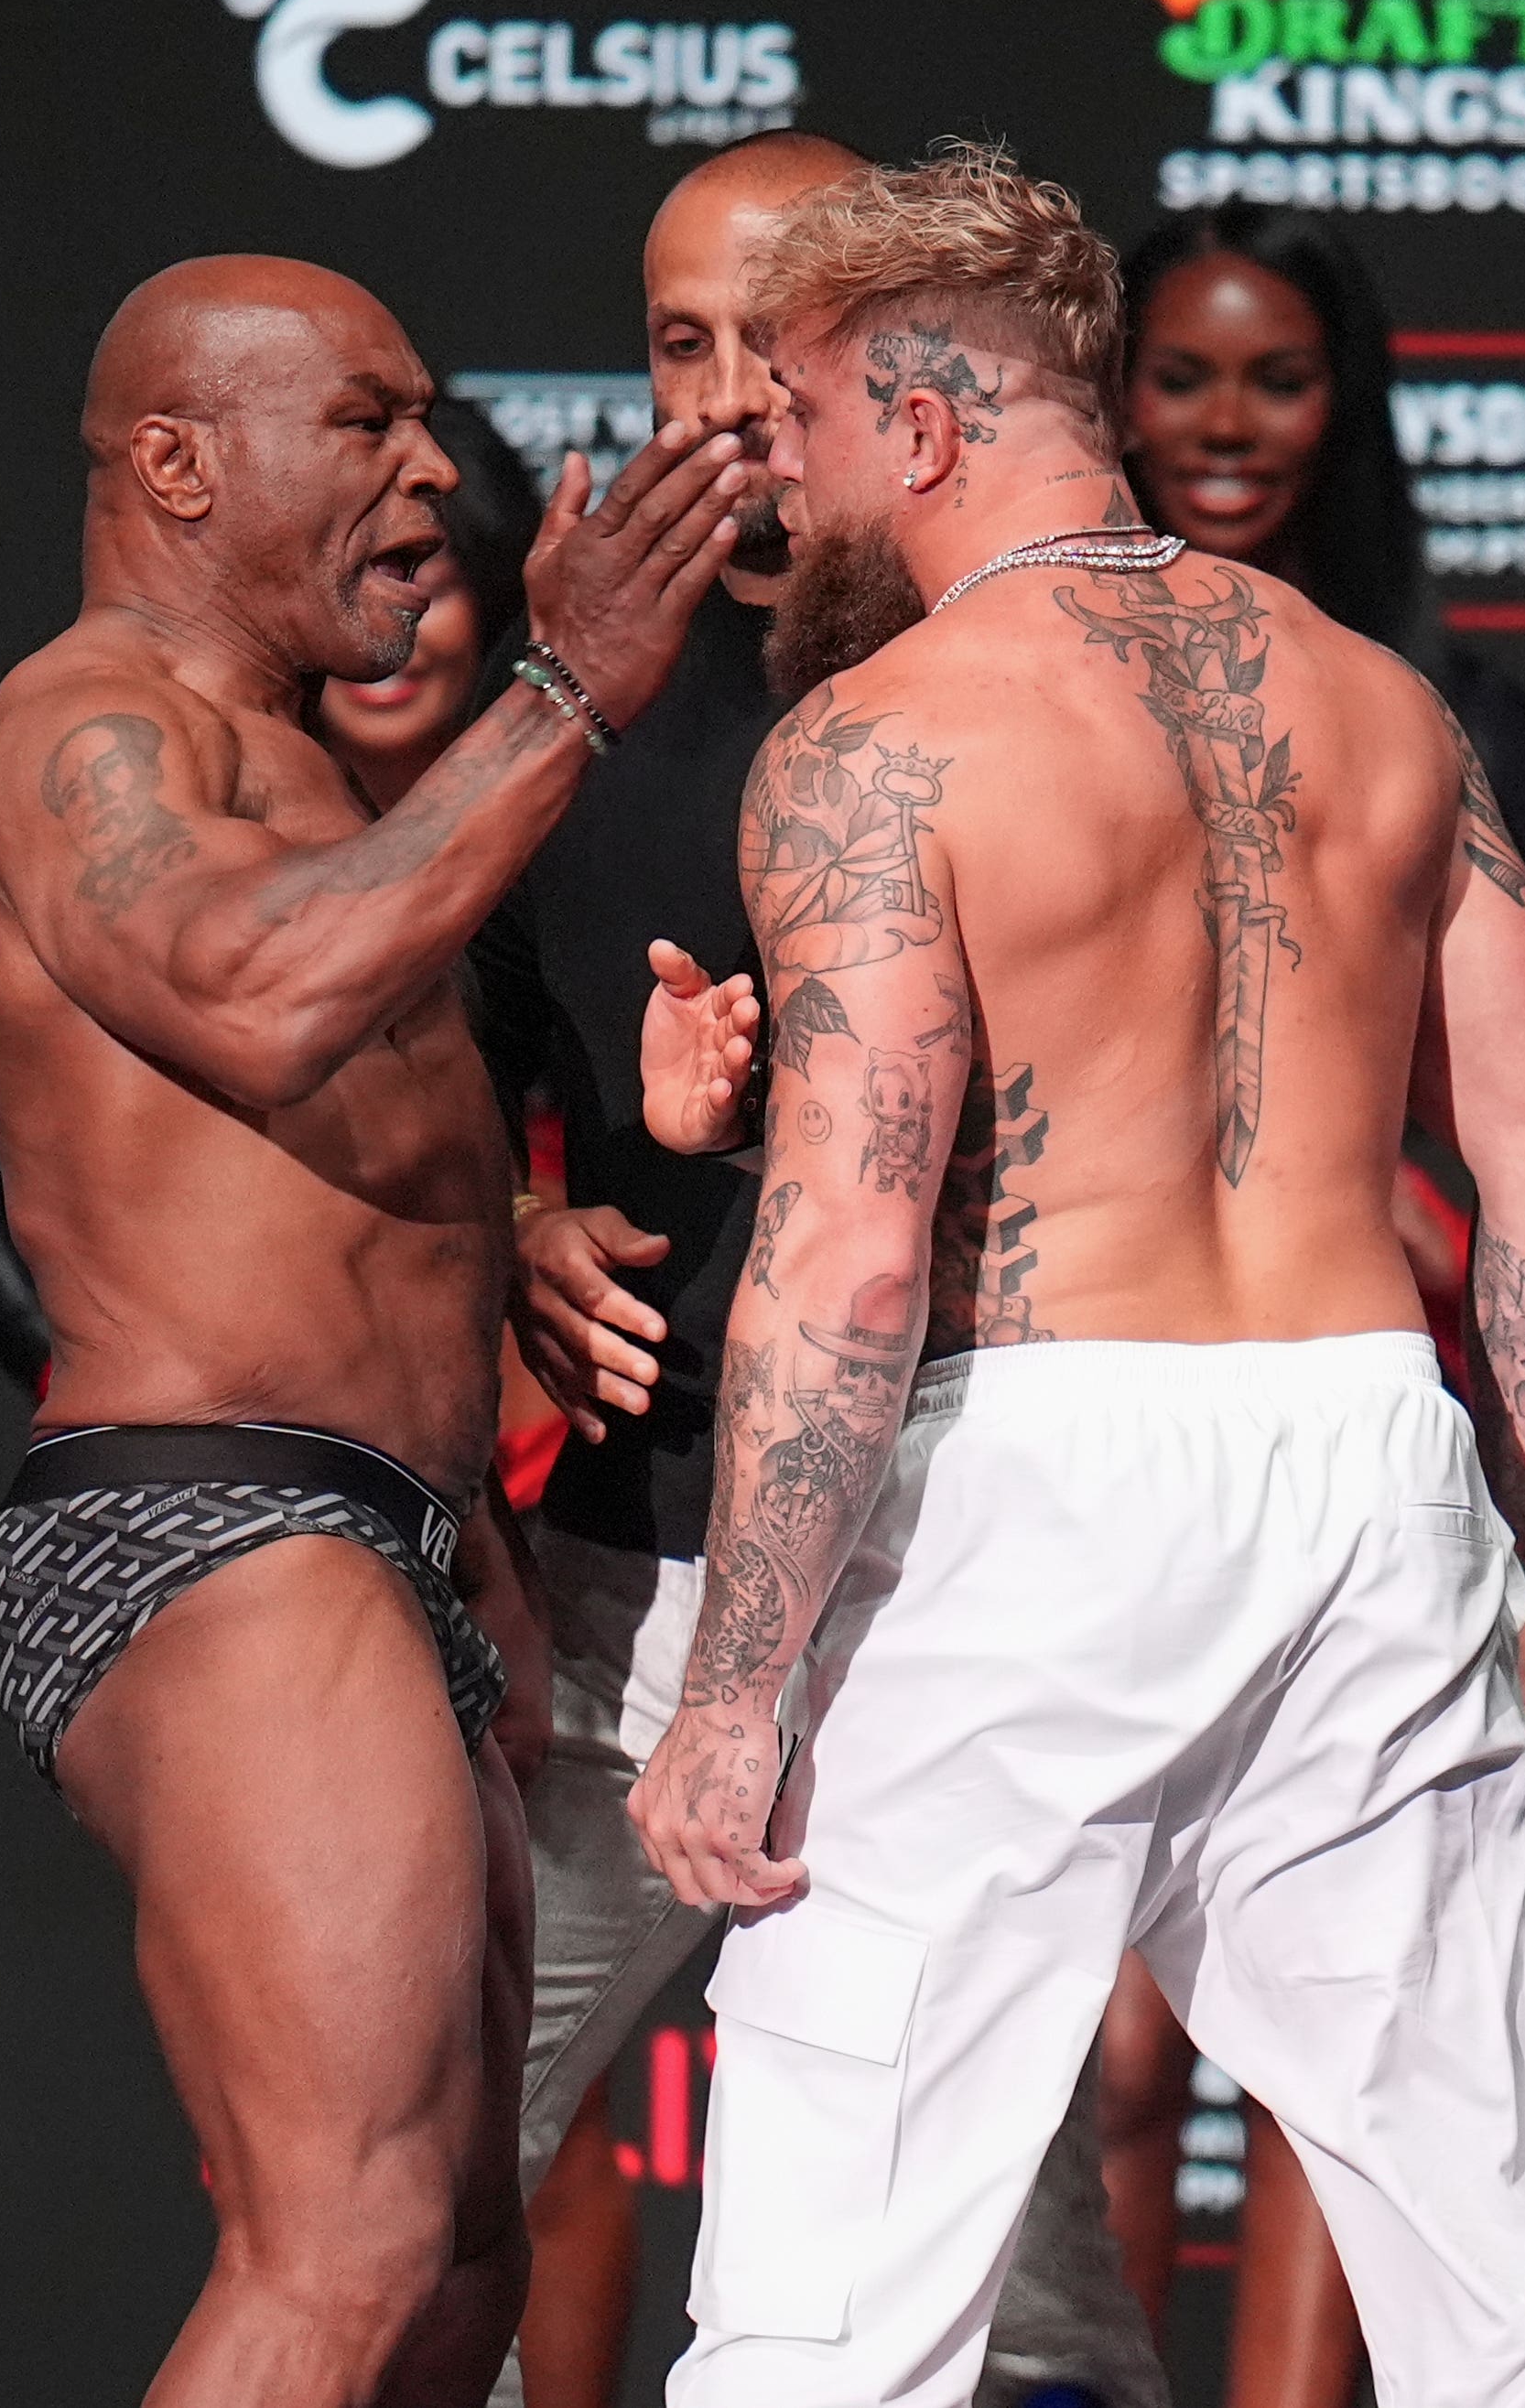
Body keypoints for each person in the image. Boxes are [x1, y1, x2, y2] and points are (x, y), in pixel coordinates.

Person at [630, 144, 1525, 2406]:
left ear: (914, 420)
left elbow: (855, 1239)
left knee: (828, 2300)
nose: (765, 467)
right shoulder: (1386, 704)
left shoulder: (877, 742)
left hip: (1034, 1474)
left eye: (792, 415)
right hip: (1374, 1452)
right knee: (1509, 2296)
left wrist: (731, 1681)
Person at [0, 254, 745, 2406]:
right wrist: (566, 696)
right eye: (367, 423)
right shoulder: (89, 728)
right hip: (213, 1519)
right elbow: (250, 992)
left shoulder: (305, 770)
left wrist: (526, 1234)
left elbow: (333, 1166)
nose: (425, 472)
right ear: (179, 464)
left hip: (381, 1537)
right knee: (348, 2245)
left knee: (462, 2265)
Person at [468, 132, 1162, 2408]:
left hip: (956, 1582)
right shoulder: (560, 699)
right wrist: (519, 1219)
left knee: (1021, 2264)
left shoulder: (1038, 666)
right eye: (683, 344)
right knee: (410, 2175)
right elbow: (404, 1057)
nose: (736, 394)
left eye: (783, 341)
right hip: (634, 1576)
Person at [1086, 204, 1525, 2403]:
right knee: (1099, 2046)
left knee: (1339, 2028)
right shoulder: (1030, 685)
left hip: (1365, 1422)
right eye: (1178, 371)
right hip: (1086, 1420)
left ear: (1343, 406)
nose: (1219, 421)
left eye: (1272, 375)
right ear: (1104, 396)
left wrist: (1457, 1228)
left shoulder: (1421, 700)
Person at [0, 390, 545, 1398]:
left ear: (499, 603)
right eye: (376, 572)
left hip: (525, 1417)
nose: (409, 621)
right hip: (275, 1442)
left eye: (432, 579)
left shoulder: (553, 832)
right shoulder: (223, 814)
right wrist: (136, 1401)